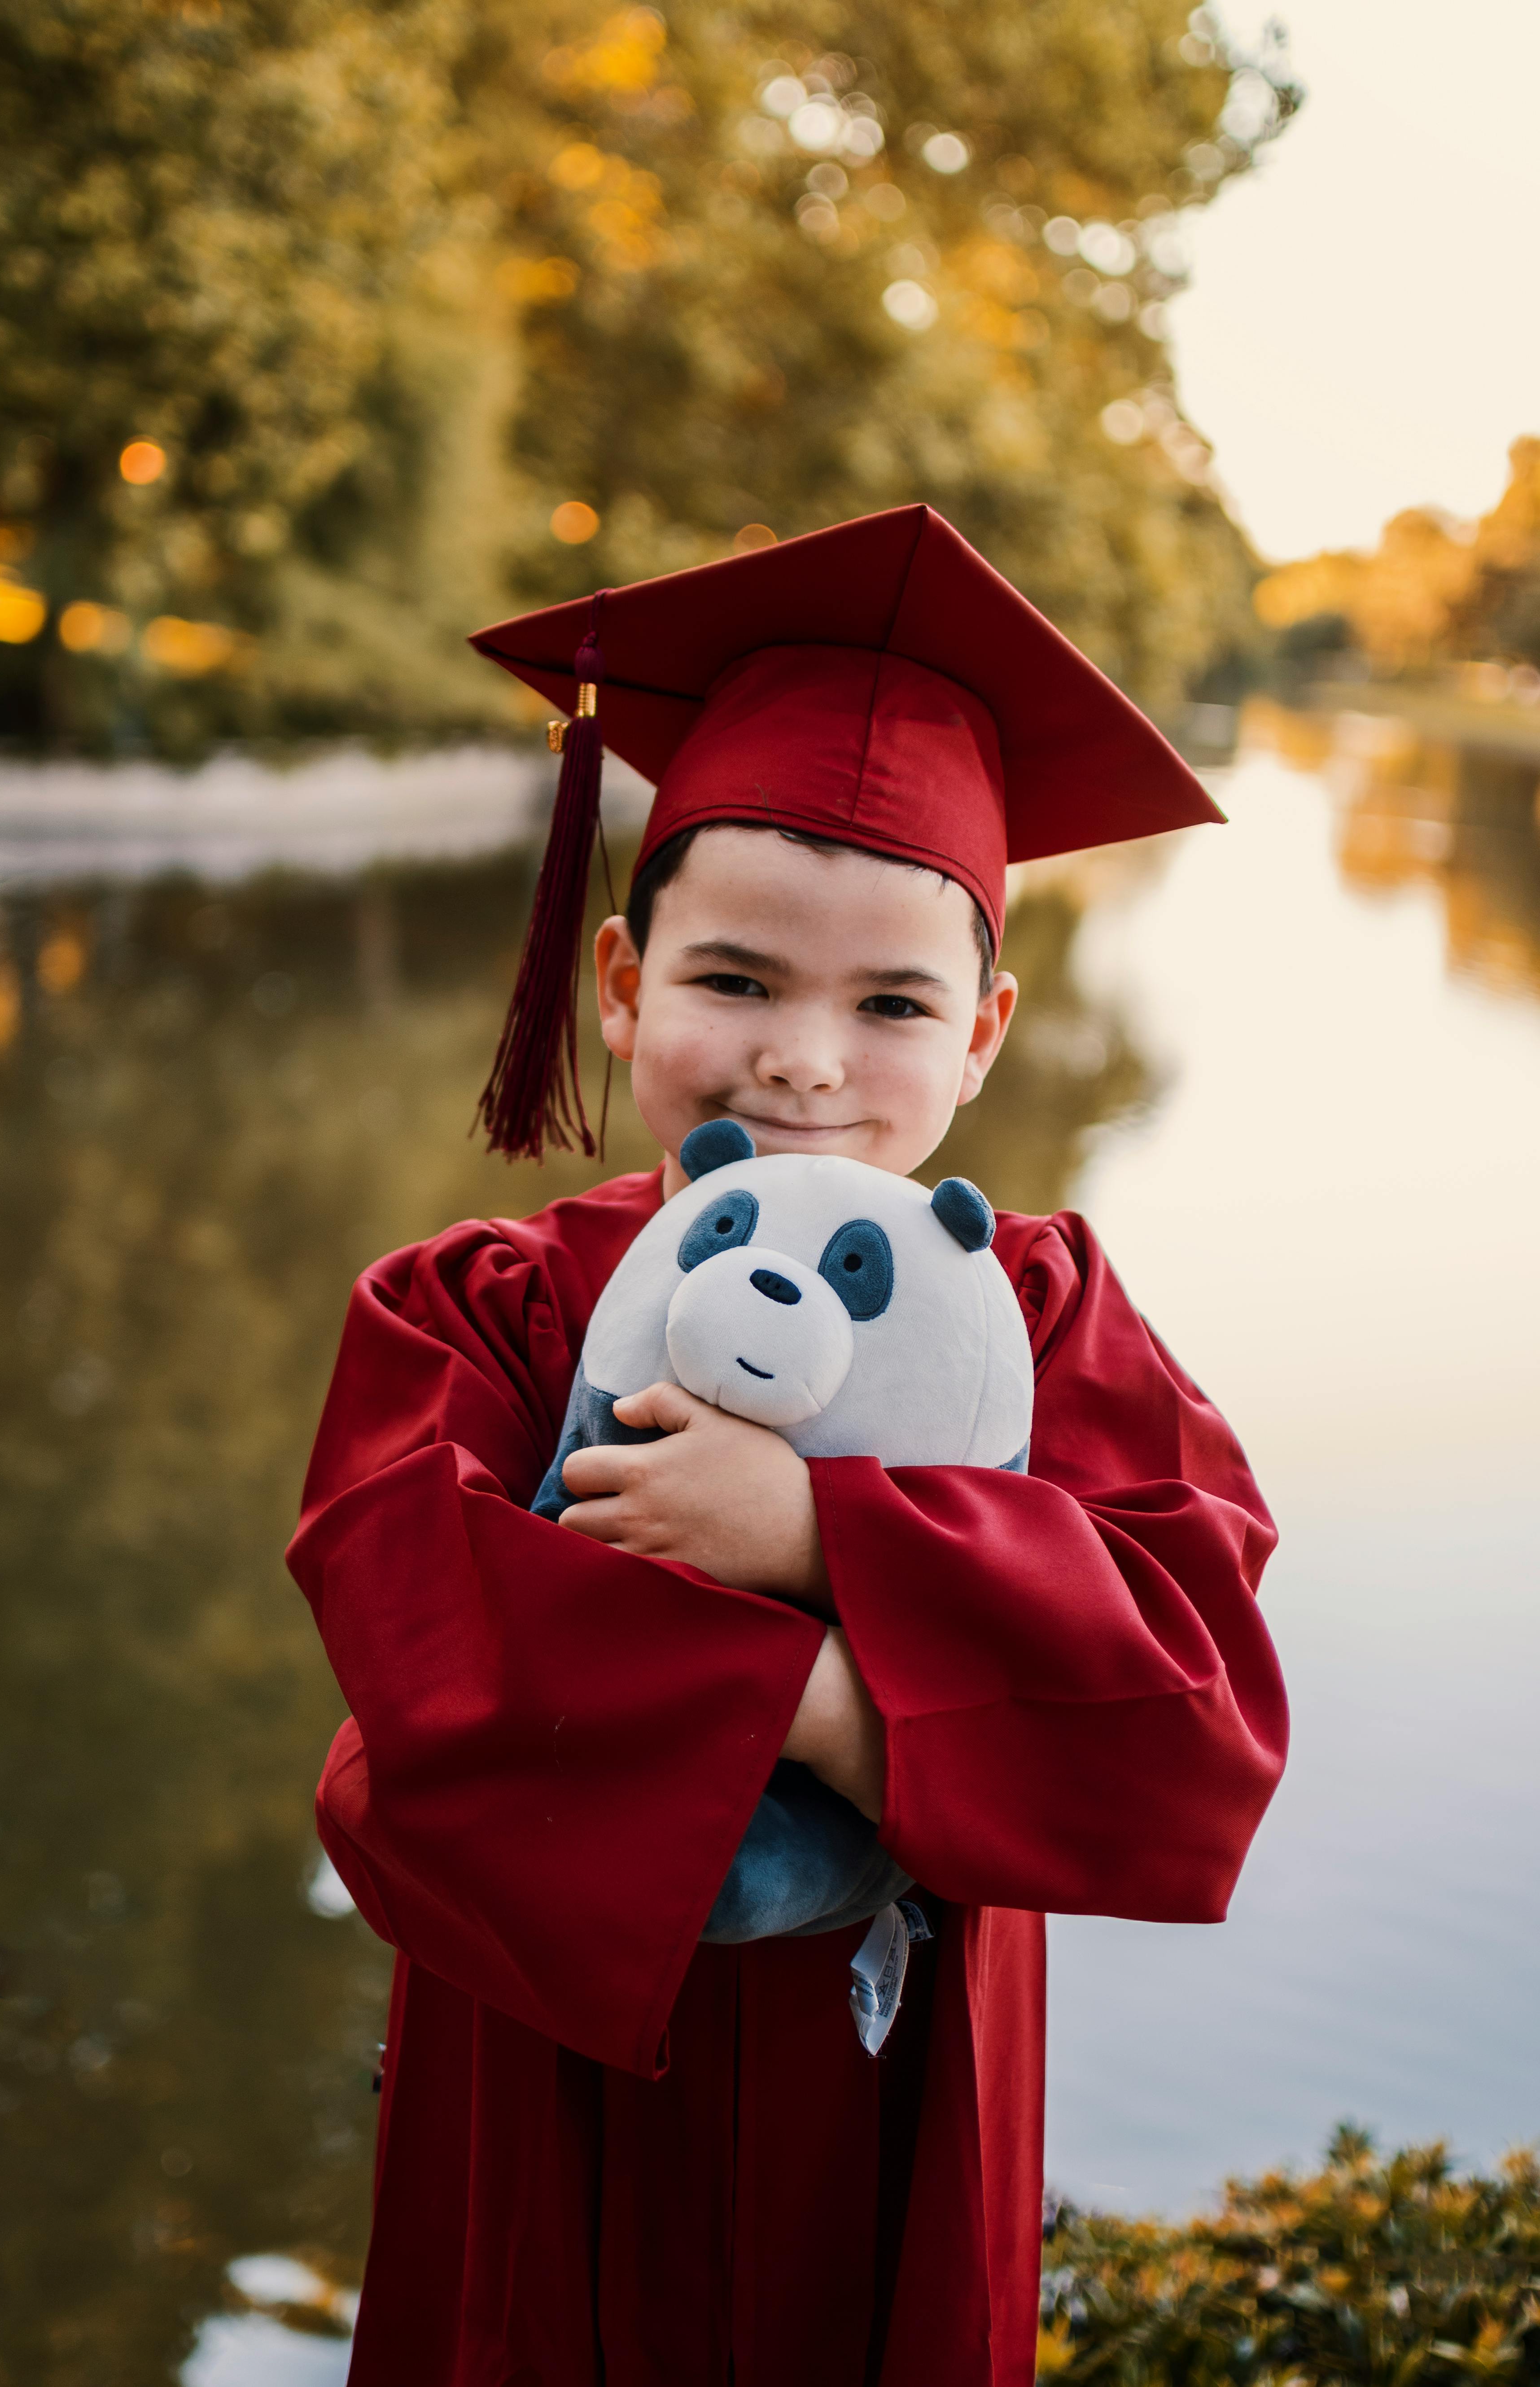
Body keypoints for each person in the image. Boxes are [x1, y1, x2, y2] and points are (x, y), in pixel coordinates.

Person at [287, 505, 1289, 2387]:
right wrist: (936, 1680)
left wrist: (822, 1552)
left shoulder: (1052, 1320)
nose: (807, 1062)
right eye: (734, 981)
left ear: (985, 1033)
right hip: (557, 2078)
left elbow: (1194, 1722)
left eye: (892, 1004)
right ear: (617, 985)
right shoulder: (482, 1309)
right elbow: (426, 1692)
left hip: (894, 2079)